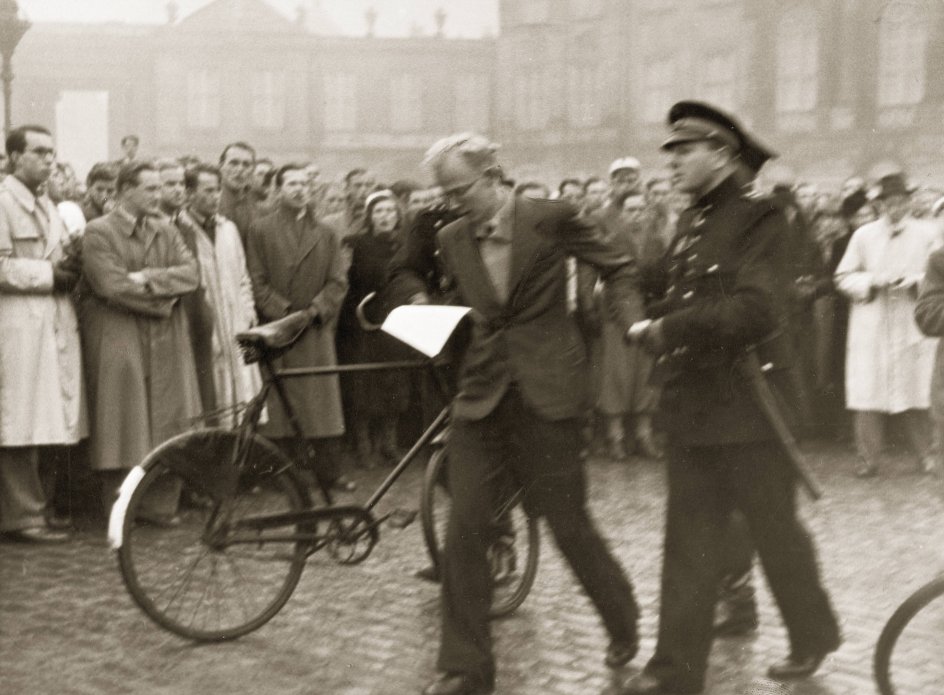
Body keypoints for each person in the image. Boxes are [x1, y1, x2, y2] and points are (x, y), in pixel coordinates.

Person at [618, 101, 840, 695]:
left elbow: (756, 308)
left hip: (751, 408)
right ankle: (673, 672)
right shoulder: (691, 221)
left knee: (775, 533)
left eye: (683, 152)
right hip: (694, 405)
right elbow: (666, 291)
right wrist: (643, 314)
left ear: (721, 156)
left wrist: (665, 330)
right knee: (688, 543)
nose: (670, 163)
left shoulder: (762, 219)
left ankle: (813, 634)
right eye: (670, 153)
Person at [417, 133, 641, 695]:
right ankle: (465, 670)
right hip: (482, 395)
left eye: (460, 189)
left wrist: (632, 320)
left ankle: (622, 616)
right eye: (443, 194)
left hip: (549, 393)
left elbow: (620, 266)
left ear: (494, 175)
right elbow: (477, 309)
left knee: (567, 525)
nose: (451, 203)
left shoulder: (552, 217)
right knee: (466, 527)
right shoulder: (449, 237)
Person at [80, 160, 202, 521]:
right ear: (125, 191)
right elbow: (111, 286)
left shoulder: (166, 229)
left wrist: (147, 277)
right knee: (122, 419)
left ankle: (161, 505)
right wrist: (165, 300)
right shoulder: (98, 232)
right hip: (118, 332)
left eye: (158, 188)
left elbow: (191, 274)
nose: (158, 195)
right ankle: (122, 509)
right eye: (150, 188)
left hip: (163, 338)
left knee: (168, 417)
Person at [0, 124, 86, 543]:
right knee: (18, 419)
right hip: (16, 324)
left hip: (50, 321)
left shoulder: (48, 204)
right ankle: (22, 516)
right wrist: (50, 274)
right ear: (15, 157)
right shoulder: (2, 202)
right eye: (39, 152)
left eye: (52, 152)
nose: (49, 160)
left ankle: (39, 508)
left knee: (48, 417)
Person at [245, 163, 353, 493]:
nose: (299, 189)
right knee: (281, 403)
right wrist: (285, 313)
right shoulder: (260, 230)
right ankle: (280, 475)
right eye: (291, 183)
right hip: (279, 330)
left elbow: (337, 281)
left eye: (304, 183)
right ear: (278, 189)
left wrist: (314, 312)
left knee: (321, 404)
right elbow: (256, 280)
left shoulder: (326, 233)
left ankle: (328, 473)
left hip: (314, 328)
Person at [834, 171, 939, 477]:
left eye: (900, 201)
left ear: (909, 202)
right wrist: (872, 282)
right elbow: (843, 276)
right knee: (868, 392)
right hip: (873, 322)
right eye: (888, 202)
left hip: (911, 320)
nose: (895, 207)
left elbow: (939, 274)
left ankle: (926, 456)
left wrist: (916, 281)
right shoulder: (863, 235)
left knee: (918, 391)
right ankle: (868, 459)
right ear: (880, 205)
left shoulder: (927, 234)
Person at [176, 164, 263, 426]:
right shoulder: (180, 230)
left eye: (217, 190)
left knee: (244, 400)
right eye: (208, 190)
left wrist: (247, 313)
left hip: (236, 322)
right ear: (189, 194)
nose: (215, 196)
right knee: (210, 396)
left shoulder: (229, 229)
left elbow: (243, 277)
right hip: (204, 326)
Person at [336, 189, 412, 468]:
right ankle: (363, 446)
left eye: (390, 211)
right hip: (363, 322)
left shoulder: (405, 245)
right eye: (379, 211)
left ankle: (388, 445)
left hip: (396, 321)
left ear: (398, 215)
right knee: (363, 387)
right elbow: (345, 279)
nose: (385, 216)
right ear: (369, 216)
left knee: (395, 383)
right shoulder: (355, 243)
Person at [597, 190, 663, 460]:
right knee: (617, 379)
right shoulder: (610, 242)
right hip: (617, 318)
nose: (637, 215)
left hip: (648, 314)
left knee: (646, 377)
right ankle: (616, 437)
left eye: (641, 209)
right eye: (631, 210)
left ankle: (643, 435)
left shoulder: (656, 242)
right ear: (621, 214)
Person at [218, 141, 258, 244]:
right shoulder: (211, 203)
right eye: (233, 163)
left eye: (246, 164)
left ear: (252, 170)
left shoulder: (258, 205)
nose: (240, 169)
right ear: (221, 166)